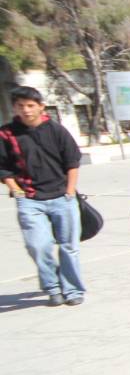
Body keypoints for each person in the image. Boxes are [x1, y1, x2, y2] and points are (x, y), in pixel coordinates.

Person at [0, 86, 85, 307]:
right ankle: (53, 287)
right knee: (38, 246)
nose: (26, 110)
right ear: (15, 108)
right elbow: (3, 168)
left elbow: (72, 162)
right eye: (20, 106)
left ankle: (72, 289)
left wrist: (69, 191)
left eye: (30, 105)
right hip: (30, 199)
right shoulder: (6, 134)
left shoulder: (56, 130)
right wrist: (16, 190)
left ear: (41, 106)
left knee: (69, 246)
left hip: (62, 197)